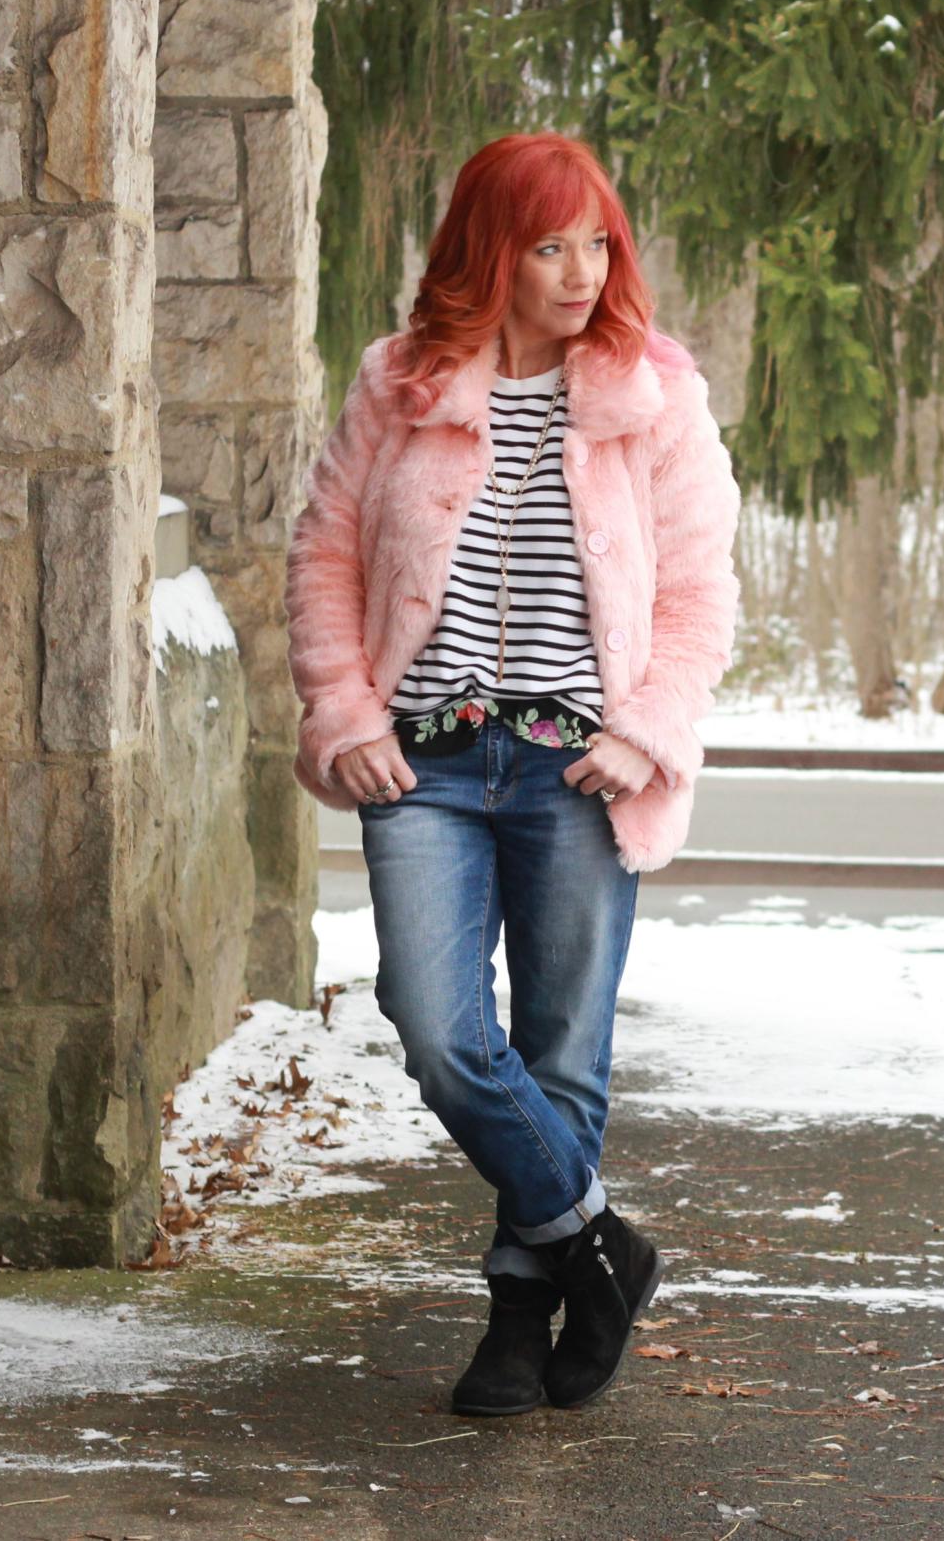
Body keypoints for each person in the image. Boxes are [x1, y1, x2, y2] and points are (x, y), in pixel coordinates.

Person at [283, 133, 743, 1415]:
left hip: (578, 768)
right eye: (551, 245)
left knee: (559, 1050)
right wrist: (346, 707)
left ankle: (516, 1321)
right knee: (436, 1027)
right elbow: (324, 557)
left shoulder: (656, 397)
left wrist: (645, 730)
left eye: (600, 241)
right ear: (491, 250)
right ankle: (605, 1246)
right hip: (421, 762)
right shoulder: (400, 382)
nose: (584, 269)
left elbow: (702, 595)